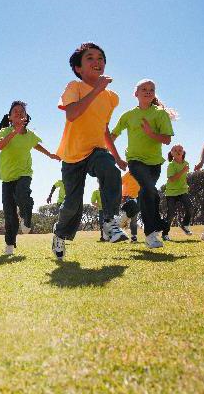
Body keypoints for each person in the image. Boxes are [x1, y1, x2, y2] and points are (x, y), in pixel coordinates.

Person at [51, 42, 128, 261]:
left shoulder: (111, 97)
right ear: (78, 68)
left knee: (110, 170)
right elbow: (72, 114)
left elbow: (103, 128)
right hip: (73, 154)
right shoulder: (73, 86)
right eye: (90, 58)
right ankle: (59, 233)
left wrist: (117, 156)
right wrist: (96, 90)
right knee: (72, 205)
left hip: (96, 150)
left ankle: (109, 222)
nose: (97, 61)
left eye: (101, 58)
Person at [112, 79, 175, 248]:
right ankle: (152, 233)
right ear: (136, 94)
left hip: (155, 163)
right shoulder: (128, 115)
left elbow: (167, 140)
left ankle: (127, 212)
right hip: (135, 160)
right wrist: (116, 157)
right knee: (149, 191)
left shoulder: (160, 113)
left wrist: (151, 133)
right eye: (144, 89)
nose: (148, 91)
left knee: (147, 195)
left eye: (151, 89)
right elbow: (112, 136)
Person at [0, 101, 60, 255]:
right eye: (15, 111)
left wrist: (50, 154)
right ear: (10, 117)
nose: (18, 113)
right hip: (7, 177)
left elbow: (36, 145)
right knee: (10, 214)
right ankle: (10, 245)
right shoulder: (5, 131)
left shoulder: (30, 135)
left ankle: (27, 216)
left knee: (22, 193)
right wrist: (14, 132)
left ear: (26, 117)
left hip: (24, 173)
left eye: (22, 111)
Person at [162, 145, 193, 240]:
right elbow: (172, 179)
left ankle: (185, 225)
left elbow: (183, 177)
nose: (178, 151)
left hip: (183, 190)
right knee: (170, 214)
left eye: (180, 150)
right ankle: (165, 234)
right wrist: (183, 171)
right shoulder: (171, 165)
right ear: (172, 153)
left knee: (190, 208)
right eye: (175, 150)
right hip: (171, 193)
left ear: (183, 152)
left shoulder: (186, 163)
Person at [120, 171, 140, 243]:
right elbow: (120, 182)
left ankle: (133, 237)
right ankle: (116, 231)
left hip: (136, 199)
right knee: (126, 218)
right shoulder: (128, 174)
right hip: (127, 198)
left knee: (134, 219)